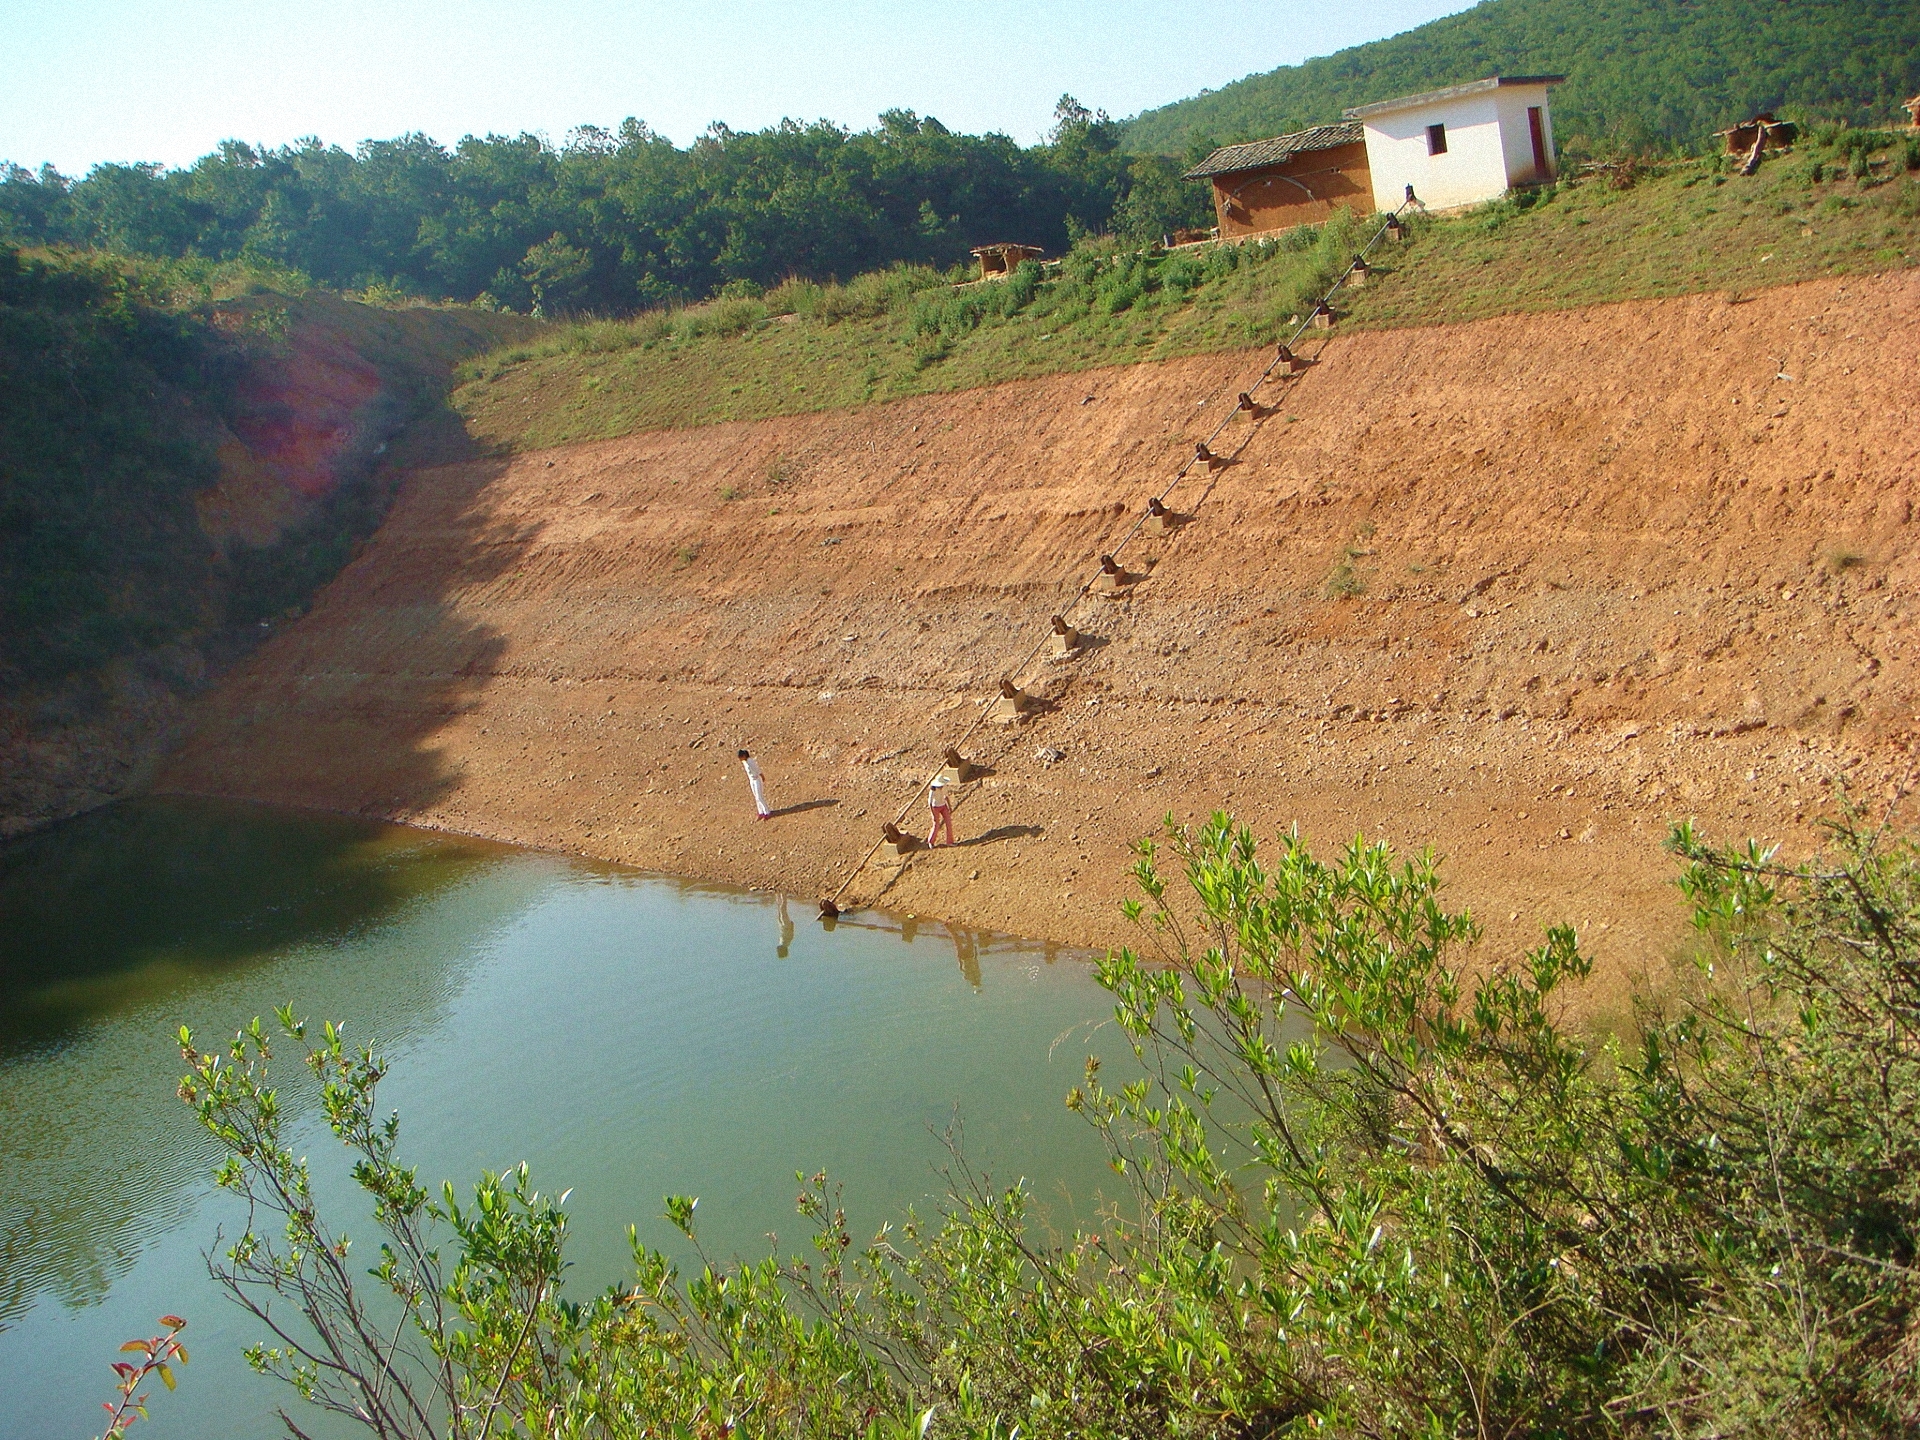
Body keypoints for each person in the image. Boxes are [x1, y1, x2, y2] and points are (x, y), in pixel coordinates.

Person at [739, 749, 772, 819]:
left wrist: (762, 776)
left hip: (757, 779)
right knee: (756, 796)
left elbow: (757, 769)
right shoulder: (744, 762)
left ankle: (767, 811)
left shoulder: (750, 761)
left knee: (759, 796)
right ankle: (761, 812)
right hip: (752, 780)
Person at [926, 775, 956, 848]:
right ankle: (931, 841)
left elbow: (945, 797)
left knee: (948, 823)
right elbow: (929, 802)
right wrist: (932, 813)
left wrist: (949, 806)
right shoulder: (933, 791)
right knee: (936, 824)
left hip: (943, 806)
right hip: (935, 807)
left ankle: (950, 841)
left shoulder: (943, 788)